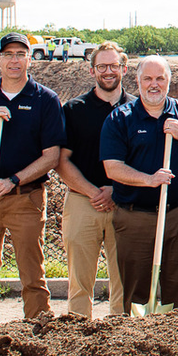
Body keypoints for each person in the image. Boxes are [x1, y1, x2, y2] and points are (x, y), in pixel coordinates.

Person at [0, 31, 66, 320]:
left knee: (32, 274)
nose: (15, 60)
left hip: (25, 197)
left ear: (30, 59)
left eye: (21, 54)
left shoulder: (45, 99)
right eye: (9, 54)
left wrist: (13, 180)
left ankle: (38, 328)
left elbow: (52, 156)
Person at [101, 55, 178, 312]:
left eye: (160, 78)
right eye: (148, 78)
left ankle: (174, 341)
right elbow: (112, 168)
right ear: (137, 81)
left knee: (176, 290)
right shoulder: (120, 118)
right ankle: (138, 343)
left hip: (176, 215)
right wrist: (149, 180)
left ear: (169, 81)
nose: (154, 84)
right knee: (137, 293)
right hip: (135, 217)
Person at [56, 40, 131, 318]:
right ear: (92, 71)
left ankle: (120, 333)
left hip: (124, 202)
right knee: (79, 280)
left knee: (123, 277)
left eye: (114, 66)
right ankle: (77, 331)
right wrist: (92, 192)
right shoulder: (74, 110)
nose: (108, 71)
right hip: (82, 202)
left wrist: (115, 189)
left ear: (124, 68)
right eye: (102, 66)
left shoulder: (137, 110)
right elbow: (61, 161)